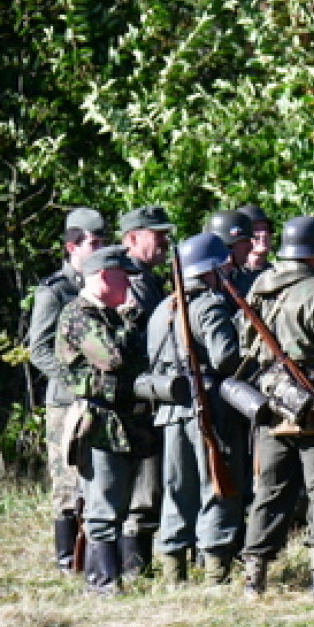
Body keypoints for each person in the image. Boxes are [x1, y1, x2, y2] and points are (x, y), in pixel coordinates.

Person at [241, 216, 314, 598]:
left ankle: (254, 577)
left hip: (272, 400)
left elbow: (246, 347)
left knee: (270, 489)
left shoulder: (259, 288)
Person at [148, 233, 245, 586]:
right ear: (212, 270)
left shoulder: (163, 308)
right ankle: (215, 574)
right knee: (218, 487)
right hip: (206, 411)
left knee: (177, 491)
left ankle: (174, 576)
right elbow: (225, 358)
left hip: (170, 411)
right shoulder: (209, 305)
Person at [55, 246, 148, 594]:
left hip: (123, 421)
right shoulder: (79, 314)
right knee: (103, 506)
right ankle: (101, 583)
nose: (129, 285)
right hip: (97, 422)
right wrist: (129, 322)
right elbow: (113, 358)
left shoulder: (108, 315)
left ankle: (111, 578)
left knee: (120, 503)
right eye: (124, 276)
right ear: (105, 276)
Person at [28, 208, 108, 573]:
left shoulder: (103, 283)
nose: (100, 248)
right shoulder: (55, 291)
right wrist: (74, 380)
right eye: (94, 243)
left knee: (95, 479)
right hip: (65, 401)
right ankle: (66, 561)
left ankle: (90, 555)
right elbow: (39, 349)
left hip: (96, 397)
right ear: (72, 246)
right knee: (66, 482)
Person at [119, 205, 175, 575]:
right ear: (133, 238)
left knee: (151, 485)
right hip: (137, 399)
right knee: (142, 487)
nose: (165, 242)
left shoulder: (150, 280)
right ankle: (133, 566)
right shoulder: (132, 282)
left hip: (152, 395)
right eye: (157, 235)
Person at [206, 209, 260, 300]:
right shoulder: (207, 285)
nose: (251, 246)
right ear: (228, 245)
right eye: (245, 241)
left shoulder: (241, 279)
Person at [239, 204, 273, 273]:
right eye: (256, 229)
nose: (264, 234)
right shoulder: (232, 277)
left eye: (266, 229)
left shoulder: (278, 274)